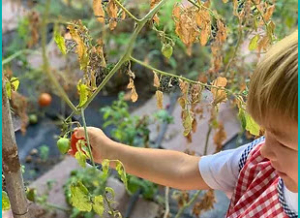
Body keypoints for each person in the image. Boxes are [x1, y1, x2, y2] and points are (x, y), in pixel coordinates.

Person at [73, 30, 298, 217]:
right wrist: (108, 151)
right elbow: (183, 169)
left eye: (284, 144)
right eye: (265, 131)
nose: (266, 149)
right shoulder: (259, 163)